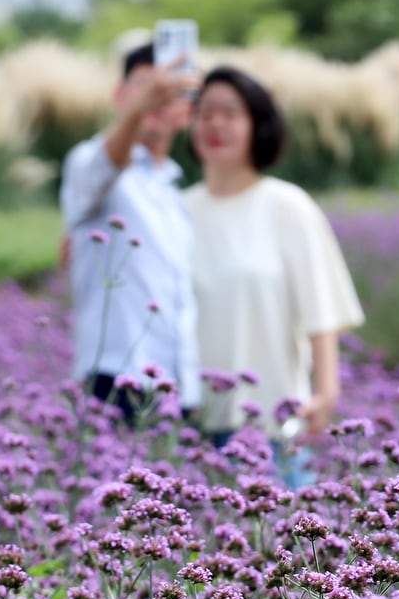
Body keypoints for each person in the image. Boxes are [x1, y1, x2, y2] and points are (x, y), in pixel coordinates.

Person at [184, 65, 364, 489]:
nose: (216, 124)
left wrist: (325, 392)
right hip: (189, 428)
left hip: (271, 426)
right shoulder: (176, 211)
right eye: (205, 112)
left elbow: (322, 310)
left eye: (231, 112)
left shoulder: (288, 207)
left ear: (257, 126)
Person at [60, 43, 203, 424]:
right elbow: (104, 167)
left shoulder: (175, 191)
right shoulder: (89, 163)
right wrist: (139, 112)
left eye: (170, 92)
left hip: (176, 385)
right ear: (120, 96)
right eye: (145, 86)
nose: (156, 99)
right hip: (113, 375)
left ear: (188, 112)